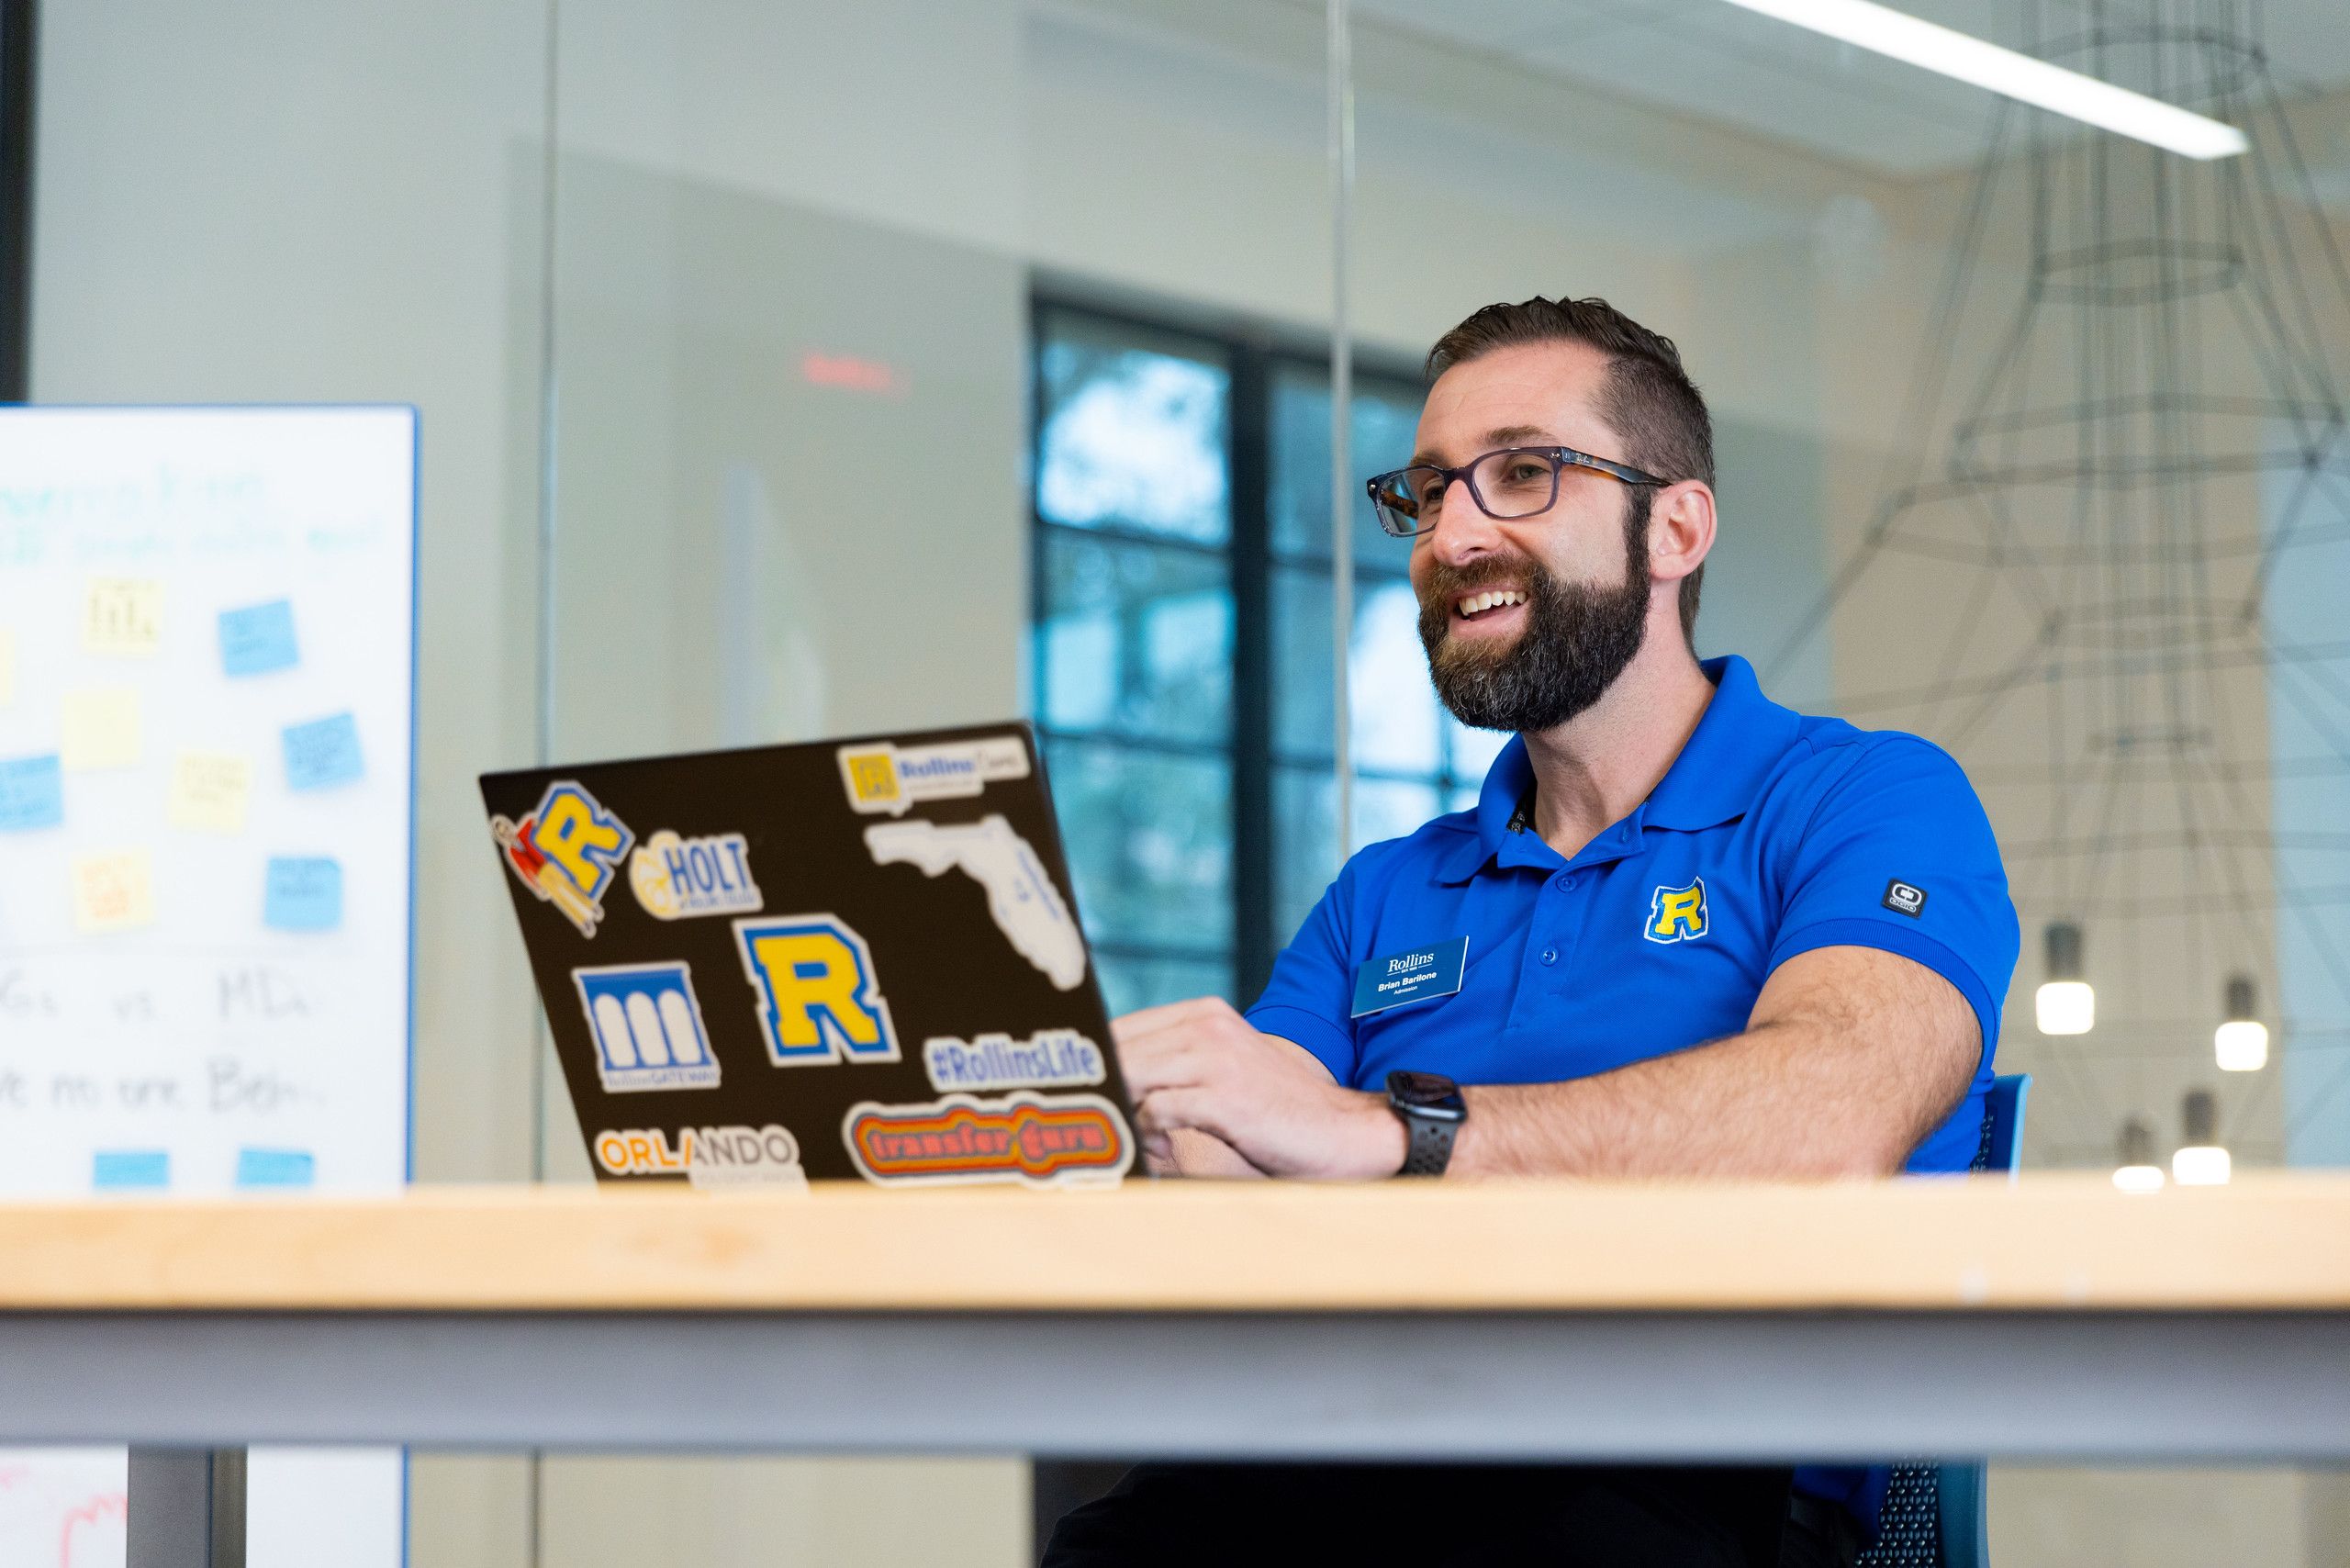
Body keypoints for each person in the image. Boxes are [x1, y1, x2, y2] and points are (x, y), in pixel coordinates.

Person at [1044, 297, 2020, 1568]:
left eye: (1520, 475)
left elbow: (1832, 1115)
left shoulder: (1864, 798)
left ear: (1675, 527)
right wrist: (1130, 1124)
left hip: (1691, 1476)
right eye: (1431, 491)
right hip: (1366, 1446)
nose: (1453, 533)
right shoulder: (1389, 888)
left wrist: (1396, 1133)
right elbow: (1258, 1181)